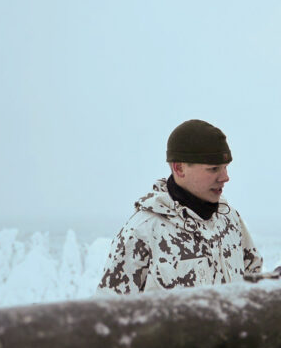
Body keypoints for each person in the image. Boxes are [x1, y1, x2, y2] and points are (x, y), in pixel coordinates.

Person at [97, 119, 262, 294]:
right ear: (179, 168)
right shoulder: (142, 232)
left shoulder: (229, 220)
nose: (225, 177)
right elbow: (109, 312)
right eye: (214, 169)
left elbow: (254, 280)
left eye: (225, 167)